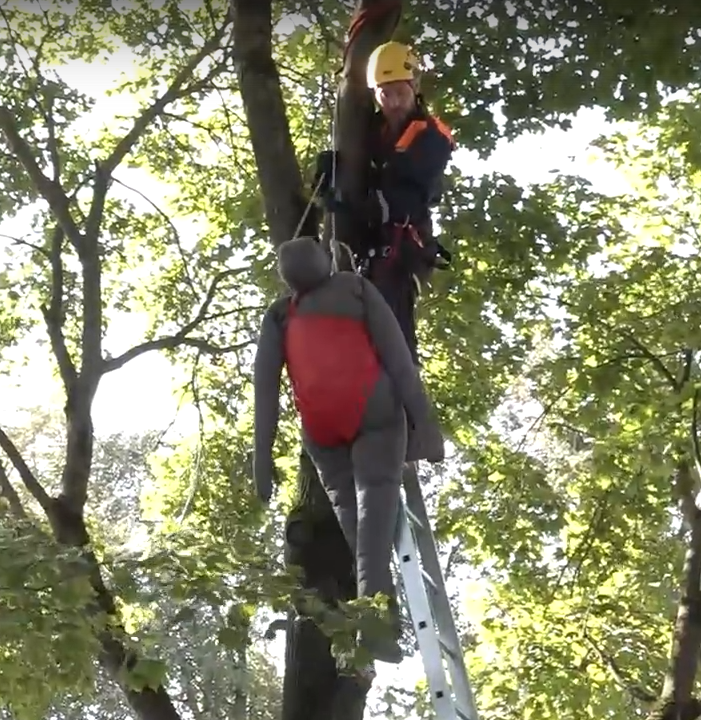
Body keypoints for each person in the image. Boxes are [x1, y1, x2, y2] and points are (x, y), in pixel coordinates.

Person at [252, 237, 445, 663]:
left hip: (322, 432)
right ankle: (374, 625)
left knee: (358, 528)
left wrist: (261, 458)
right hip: (374, 417)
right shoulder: (355, 288)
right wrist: (425, 426)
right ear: (324, 261)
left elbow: (264, 392)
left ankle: (377, 623)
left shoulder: (279, 314)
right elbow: (398, 360)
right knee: (371, 525)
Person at [313, 40, 456, 366]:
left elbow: (403, 196)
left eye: (399, 93)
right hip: (365, 237)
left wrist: (352, 206)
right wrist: (331, 168)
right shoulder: (367, 129)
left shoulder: (432, 137)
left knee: (391, 326)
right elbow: (358, 166)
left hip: (402, 242)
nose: (392, 102)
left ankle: (403, 398)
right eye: (384, 93)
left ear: (414, 87)